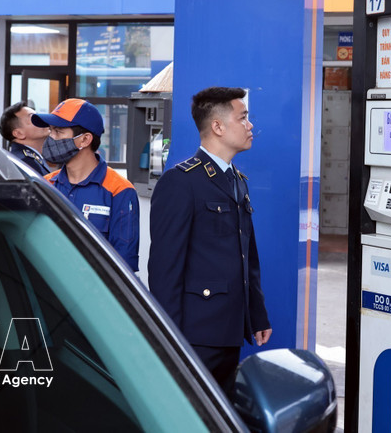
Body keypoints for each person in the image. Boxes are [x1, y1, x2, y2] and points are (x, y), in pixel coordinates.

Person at [148, 86, 271, 394]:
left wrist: (256, 314)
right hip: (195, 334)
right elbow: (165, 270)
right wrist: (169, 338)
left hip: (229, 329)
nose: (250, 125)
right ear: (217, 126)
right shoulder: (181, 182)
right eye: (242, 118)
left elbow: (247, 255)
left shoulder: (237, 181)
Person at [32, 98, 139, 272]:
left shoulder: (119, 190)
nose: (50, 138)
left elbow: (123, 265)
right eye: (50, 131)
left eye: (58, 132)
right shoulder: (45, 185)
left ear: (84, 140)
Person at [0, 101, 51, 176]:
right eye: (33, 118)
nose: (41, 119)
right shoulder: (24, 162)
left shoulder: (29, 158)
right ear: (19, 134)